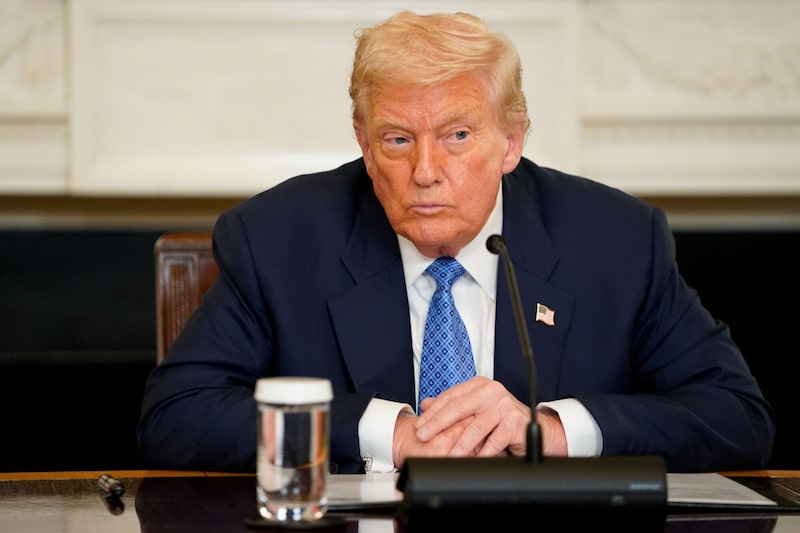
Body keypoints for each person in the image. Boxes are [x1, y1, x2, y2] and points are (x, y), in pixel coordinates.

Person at [137, 10, 775, 475]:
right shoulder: (278, 239)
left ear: (511, 141)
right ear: (363, 142)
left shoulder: (616, 240)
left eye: (458, 136)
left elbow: (735, 416)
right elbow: (177, 416)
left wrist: (551, 430)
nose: (425, 171)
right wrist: (388, 433)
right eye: (396, 140)